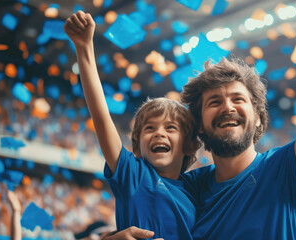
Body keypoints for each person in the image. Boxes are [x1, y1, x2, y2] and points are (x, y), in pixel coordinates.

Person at [101, 0, 296, 238]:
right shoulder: (190, 186)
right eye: (214, 102)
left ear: (258, 118)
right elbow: (137, 203)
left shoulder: (283, 171)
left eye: (238, 99)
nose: (227, 107)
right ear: (198, 125)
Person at [64, 11, 201, 240]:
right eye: (149, 128)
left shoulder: (198, 187)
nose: (159, 133)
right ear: (136, 148)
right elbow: (100, 115)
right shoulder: (134, 174)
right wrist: (84, 46)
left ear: (188, 145)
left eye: (170, 128)